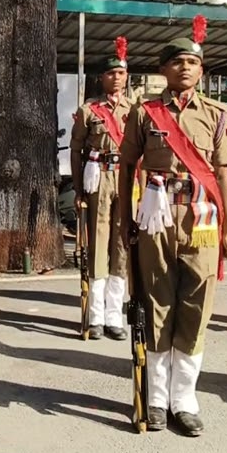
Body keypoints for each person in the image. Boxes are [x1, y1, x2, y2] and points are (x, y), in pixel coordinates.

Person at [118, 15, 227, 436]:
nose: (185, 67)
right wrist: (123, 219)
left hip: (202, 217)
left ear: (201, 70)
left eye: (193, 61)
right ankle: (154, 398)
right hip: (155, 215)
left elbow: (222, 172)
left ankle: (183, 399)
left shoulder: (217, 114)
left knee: (196, 306)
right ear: (164, 68)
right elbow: (127, 165)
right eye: (177, 61)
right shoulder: (144, 112)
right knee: (156, 302)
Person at [70, 36, 134, 340]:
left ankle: (114, 317)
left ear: (127, 76)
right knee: (96, 244)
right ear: (102, 78)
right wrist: (79, 189)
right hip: (98, 178)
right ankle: (95, 318)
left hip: (126, 178)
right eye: (111, 73)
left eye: (121, 73)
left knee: (121, 247)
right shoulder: (89, 111)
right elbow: (76, 149)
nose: (116, 78)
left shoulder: (136, 110)